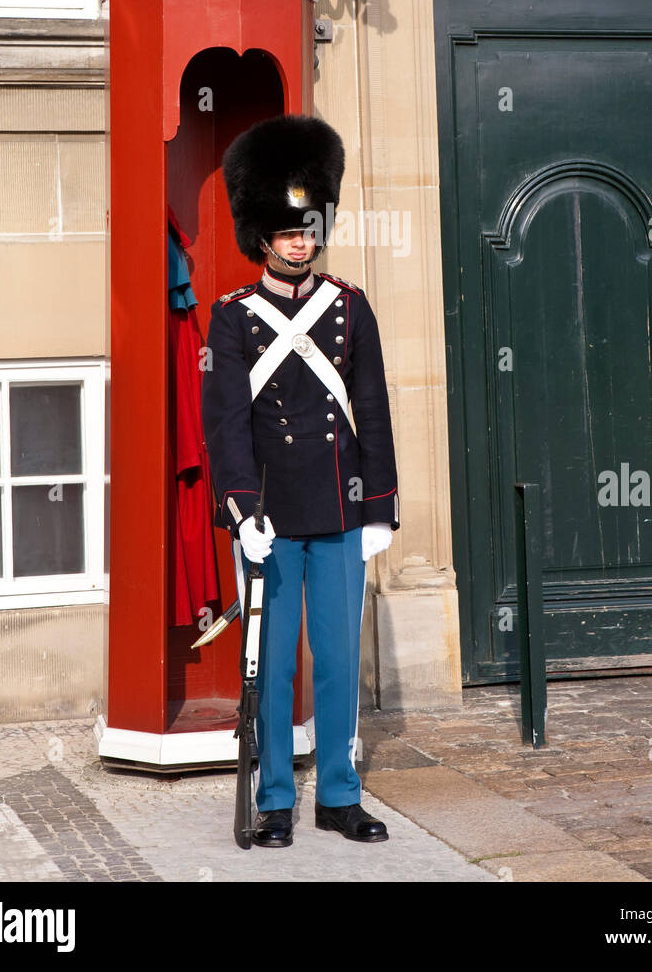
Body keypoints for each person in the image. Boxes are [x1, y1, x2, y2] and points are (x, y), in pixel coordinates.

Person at [201, 113, 400, 848]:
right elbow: (225, 423)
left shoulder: (350, 307)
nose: (300, 240)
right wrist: (241, 511)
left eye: (308, 227)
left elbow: (373, 408)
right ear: (261, 236)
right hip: (273, 517)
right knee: (273, 665)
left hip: (342, 511)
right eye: (287, 231)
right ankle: (277, 799)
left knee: (339, 664)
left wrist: (379, 506)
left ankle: (340, 797)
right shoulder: (231, 320)